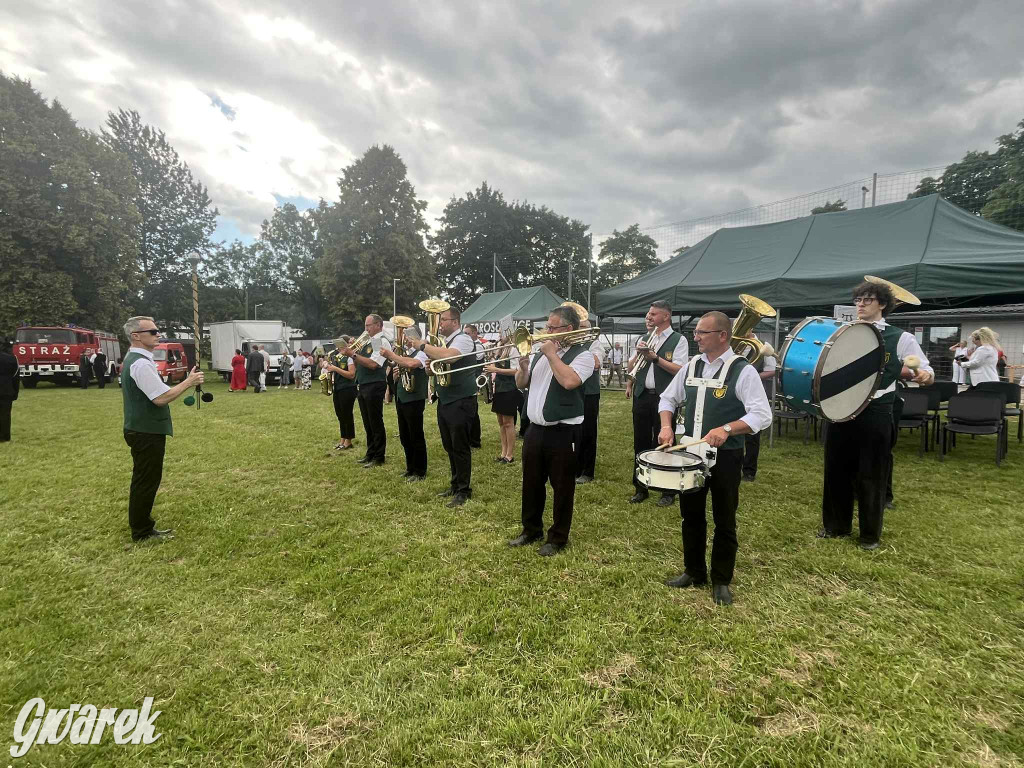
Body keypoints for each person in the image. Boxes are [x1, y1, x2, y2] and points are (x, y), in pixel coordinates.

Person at [657, 312, 772, 605]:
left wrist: (728, 428)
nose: (696, 337)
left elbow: (762, 414)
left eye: (702, 333)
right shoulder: (691, 365)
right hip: (691, 453)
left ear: (722, 336)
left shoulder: (743, 370)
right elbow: (667, 398)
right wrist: (666, 425)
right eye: (696, 332)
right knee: (691, 515)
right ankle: (694, 571)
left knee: (725, 518)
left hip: (727, 456)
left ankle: (721, 580)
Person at [820, 281, 933, 551]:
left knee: (871, 472)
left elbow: (927, 372)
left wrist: (923, 375)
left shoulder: (900, 338)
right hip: (841, 408)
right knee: (836, 469)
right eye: (858, 300)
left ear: (882, 304)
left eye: (867, 300)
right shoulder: (843, 332)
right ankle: (836, 526)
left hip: (877, 408)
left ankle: (869, 535)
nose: (860, 304)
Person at [507, 306, 595, 556]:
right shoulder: (540, 354)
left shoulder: (583, 355)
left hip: (564, 431)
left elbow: (569, 381)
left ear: (568, 329)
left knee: (562, 486)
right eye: (547, 326)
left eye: (552, 327)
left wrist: (551, 355)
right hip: (535, 429)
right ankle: (530, 529)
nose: (546, 331)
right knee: (531, 483)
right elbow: (522, 384)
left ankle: (557, 537)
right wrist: (524, 368)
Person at [120, 315, 205, 543]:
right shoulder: (140, 363)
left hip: (143, 429)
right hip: (145, 431)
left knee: (145, 479)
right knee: (146, 481)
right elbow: (160, 398)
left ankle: (142, 525)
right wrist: (189, 382)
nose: (158, 334)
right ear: (136, 336)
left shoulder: (138, 359)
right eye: (153, 331)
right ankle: (142, 531)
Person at [627, 301, 688, 506]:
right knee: (640, 442)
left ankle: (667, 491)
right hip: (642, 395)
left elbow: (680, 369)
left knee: (665, 443)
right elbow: (631, 367)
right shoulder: (644, 338)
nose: (649, 316)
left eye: (653, 314)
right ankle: (640, 487)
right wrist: (638, 354)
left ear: (666, 317)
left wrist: (654, 358)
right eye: (649, 313)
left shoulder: (678, 340)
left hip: (665, 398)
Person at [418, 305, 477, 507]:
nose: (440, 323)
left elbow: (450, 356)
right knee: (449, 445)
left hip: (461, 399)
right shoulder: (444, 342)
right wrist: (430, 368)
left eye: (443, 320)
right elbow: (434, 370)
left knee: (460, 447)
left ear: (455, 322)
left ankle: (464, 490)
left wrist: (423, 346)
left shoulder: (463, 339)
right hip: (446, 398)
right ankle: (455, 484)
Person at [342, 314, 392, 468]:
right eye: (365, 325)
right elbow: (360, 363)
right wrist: (353, 352)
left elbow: (373, 364)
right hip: (364, 384)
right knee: (367, 421)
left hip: (374, 384)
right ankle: (370, 453)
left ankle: (379, 456)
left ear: (378, 325)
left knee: (375, 421)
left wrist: (353, 354)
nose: (366, 329)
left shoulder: (380, 341)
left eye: (368, 325)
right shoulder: (368, 341)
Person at [382, 327, 430, 481]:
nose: (406, 340)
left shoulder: (422, 352)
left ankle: (420, 470)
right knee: (405, 435)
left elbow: (413, 364)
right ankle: (410, 467)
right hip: (402, 396)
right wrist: (396, 376)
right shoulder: (406, 353)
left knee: (416, 435)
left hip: (414, 398)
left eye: (408, 337)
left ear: (415, 337)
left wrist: (392, 355)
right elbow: (401, 369)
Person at [741, 331, 777, 482]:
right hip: (734, 394)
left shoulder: (763, 346)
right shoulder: (735, 344)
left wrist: (752, 376)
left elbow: (772, 370)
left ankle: (749, 471)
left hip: (754, 393)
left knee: (752, 434)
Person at [484, 343, 521, 464]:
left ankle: (509, 455)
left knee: (508, 423)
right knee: (501, 422)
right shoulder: (500, 347)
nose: (500, 334)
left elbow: (516, 371)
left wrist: (496, 370)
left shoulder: (513, 349)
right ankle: (503, 453)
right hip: (499, 388)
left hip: (509, 389)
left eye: (502, 333)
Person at [576, 320, 603, 484]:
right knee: (574, 430)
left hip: (589, 393)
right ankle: (576, 467)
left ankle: (587, 471)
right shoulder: (573, 345)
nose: (580, 330)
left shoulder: (595, 344)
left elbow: (596, 363)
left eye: (583, 327)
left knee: (588, 431)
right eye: (578, 326)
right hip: (574, 392)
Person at [321, 338, 358, 450]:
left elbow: (351, 375)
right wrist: (326, 364)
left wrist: (335, 369)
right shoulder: (336, 356)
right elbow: (329, 366)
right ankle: (343, 438)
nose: (338, 348)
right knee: (340, 414)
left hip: (348, 388)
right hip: (338, 387)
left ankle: (348, 440)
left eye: (340, 345)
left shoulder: (350, 357)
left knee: (347, 414)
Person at [465, 324, 484, 449]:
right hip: (469, 380)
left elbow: (474, 358)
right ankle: (472, 439)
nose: (465, 336)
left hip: (474, 380)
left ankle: (475, 440)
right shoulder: (469, 345)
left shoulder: (478, 346)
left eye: (467, 333)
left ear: (475, 333)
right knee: (471, 412)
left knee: (472, 413)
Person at [0, 338, 20, 442]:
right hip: (6, 389)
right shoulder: (12, 359)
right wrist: (15, 392)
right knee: (5, 414)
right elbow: (16, 377)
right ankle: (4, 437)